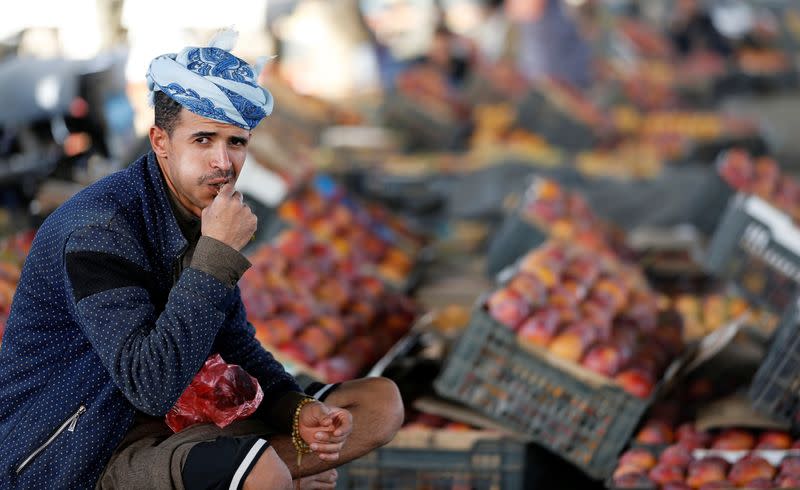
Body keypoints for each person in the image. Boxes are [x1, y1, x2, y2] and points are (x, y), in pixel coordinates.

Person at [0, 30, 403, 490]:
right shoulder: (99, 230)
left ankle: (265, 473)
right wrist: (216, 256)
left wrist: (296, 410)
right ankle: (268, 476)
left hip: (176, 426)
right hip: (80, 453)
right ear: (160, 141)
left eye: (236, 143)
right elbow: (150, 385)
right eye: (204, 140)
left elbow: (235, 344)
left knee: (379, 405)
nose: (223, 162)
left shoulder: (198, 213)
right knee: (263, 474)